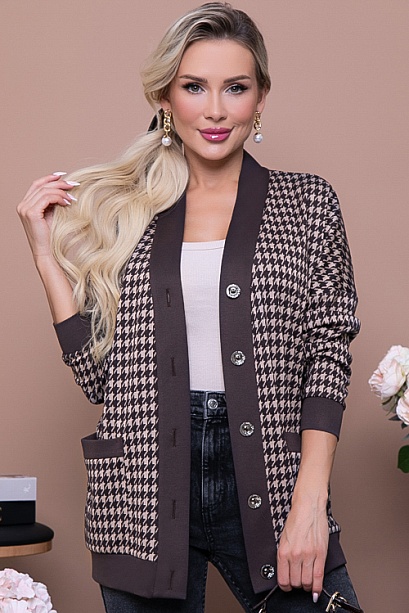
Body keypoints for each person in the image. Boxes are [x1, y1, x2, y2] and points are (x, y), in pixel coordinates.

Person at [17, 3, 362, 612]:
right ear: (165, 99)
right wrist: (47, 258)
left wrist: (310, 502)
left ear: (261, 99)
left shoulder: (308, 204)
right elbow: (101, 381)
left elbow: (328, 358)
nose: (216, 110)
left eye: (236, 88)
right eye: (194, 87)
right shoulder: (128, 215)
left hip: (271, 479)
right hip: (143, 495)